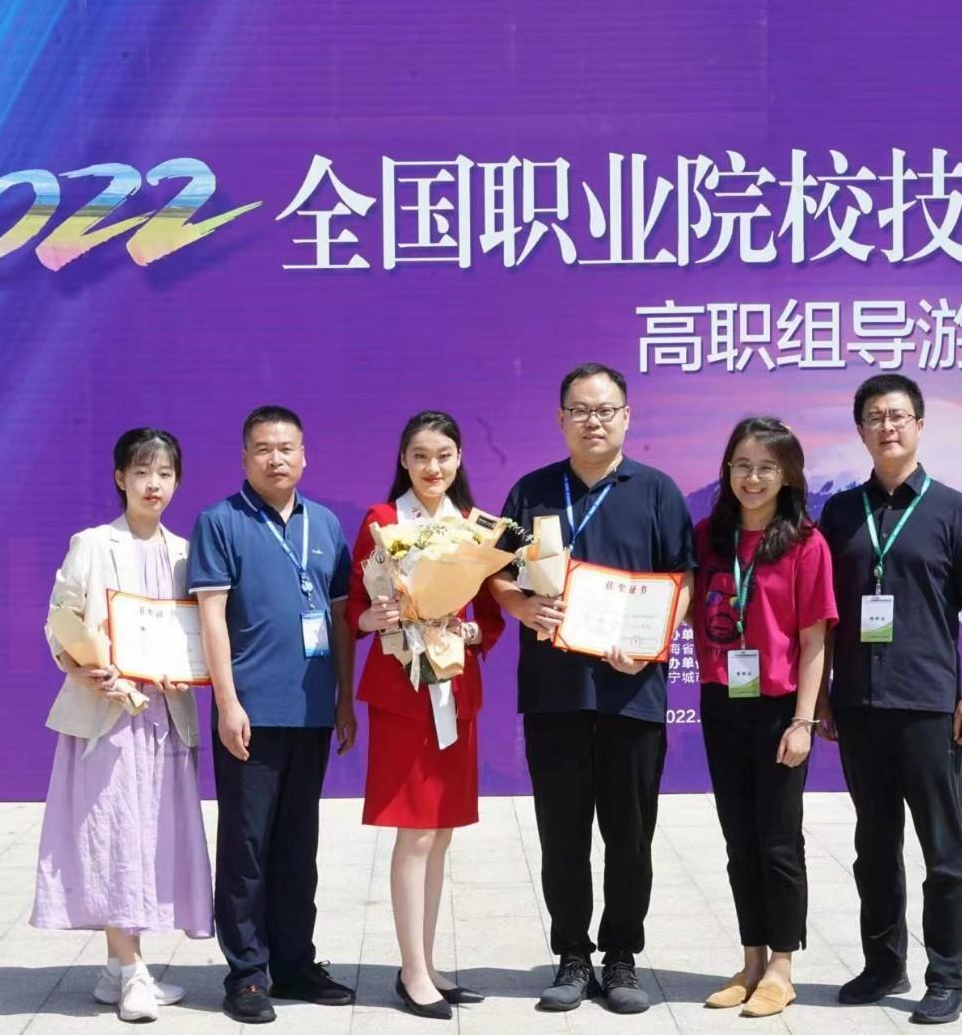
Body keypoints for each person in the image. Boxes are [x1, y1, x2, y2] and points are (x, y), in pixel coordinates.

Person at [488, 363, 695, 1015]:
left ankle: (623, 955)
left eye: (605, 410)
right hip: (555, 693)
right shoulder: (531, 491)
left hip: (633, 693)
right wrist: (520, 607)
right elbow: (495, 573)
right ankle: (573, 956)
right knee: (563, 834)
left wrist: (653, 639)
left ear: (627, 417)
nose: (593, 421)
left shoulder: (657, 491)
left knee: (630, 835)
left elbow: (684, 581)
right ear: (561, 419)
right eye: (580, 410)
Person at [816, 373, 962, 1026]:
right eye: (874, 417)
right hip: (859, 705)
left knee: (943, 848)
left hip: (927, 705)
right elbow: (825, 614)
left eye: (897, 416)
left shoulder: (953, 509)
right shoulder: (840, 513)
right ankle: (883, 964)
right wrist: (824, 696)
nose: (886, 427)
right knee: (874, 846)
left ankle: (948, 976)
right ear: (861, 430)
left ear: (919, 425)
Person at [31, 428, 213, 1024]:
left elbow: (197, 632)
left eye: (164, 473)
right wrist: (83, 668)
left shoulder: (186, 552)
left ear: (177, 481)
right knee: (113, 835)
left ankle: (117, 968)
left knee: (151, 837)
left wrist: (188, 670)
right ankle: (133, 972)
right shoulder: (92, 544)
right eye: (141, 472)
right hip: (107, 716)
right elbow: (60, 619)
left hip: (165, 716)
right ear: (120, 478)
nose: (153, 484)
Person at [189, 406, 359, 1025]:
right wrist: (227, 702)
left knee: (297, 845)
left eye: (287, 447)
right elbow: (211, 619)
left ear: (304, 456)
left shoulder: (326, 523)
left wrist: (344, 699)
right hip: (251, 713)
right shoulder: (220, 522)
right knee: (247, 846)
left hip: (311, 711)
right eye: (263, 448)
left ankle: (293, 964)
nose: (276, 458)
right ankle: (247, 974)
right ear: (245, 458)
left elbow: (339, 619)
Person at [346, 411, 506, 1020]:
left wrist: (466, 631)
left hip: (454, 688)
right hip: (403, 691)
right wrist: (374, 618)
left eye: (442, 455)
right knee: (414, 831)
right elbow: (355, 607)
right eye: (419, 456)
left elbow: (489, 614)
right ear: (403, 461)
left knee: (440, 833)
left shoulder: (476, 527)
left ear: (459, 458)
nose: (431, 467)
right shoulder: (383, 522)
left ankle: (428, 963)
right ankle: (411, 971)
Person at [690, 417, 836, 1018]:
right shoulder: (708, 536)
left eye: (767, 468)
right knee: (738, 838)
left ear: (788, 476)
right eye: (743, 465)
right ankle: (750, 959)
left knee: (778, 839)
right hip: (721, 699)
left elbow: (814, 640)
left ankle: (781, 966)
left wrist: (803, 722)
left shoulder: (805, 543)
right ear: (727, 469)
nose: (753, 479)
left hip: (779, 707)